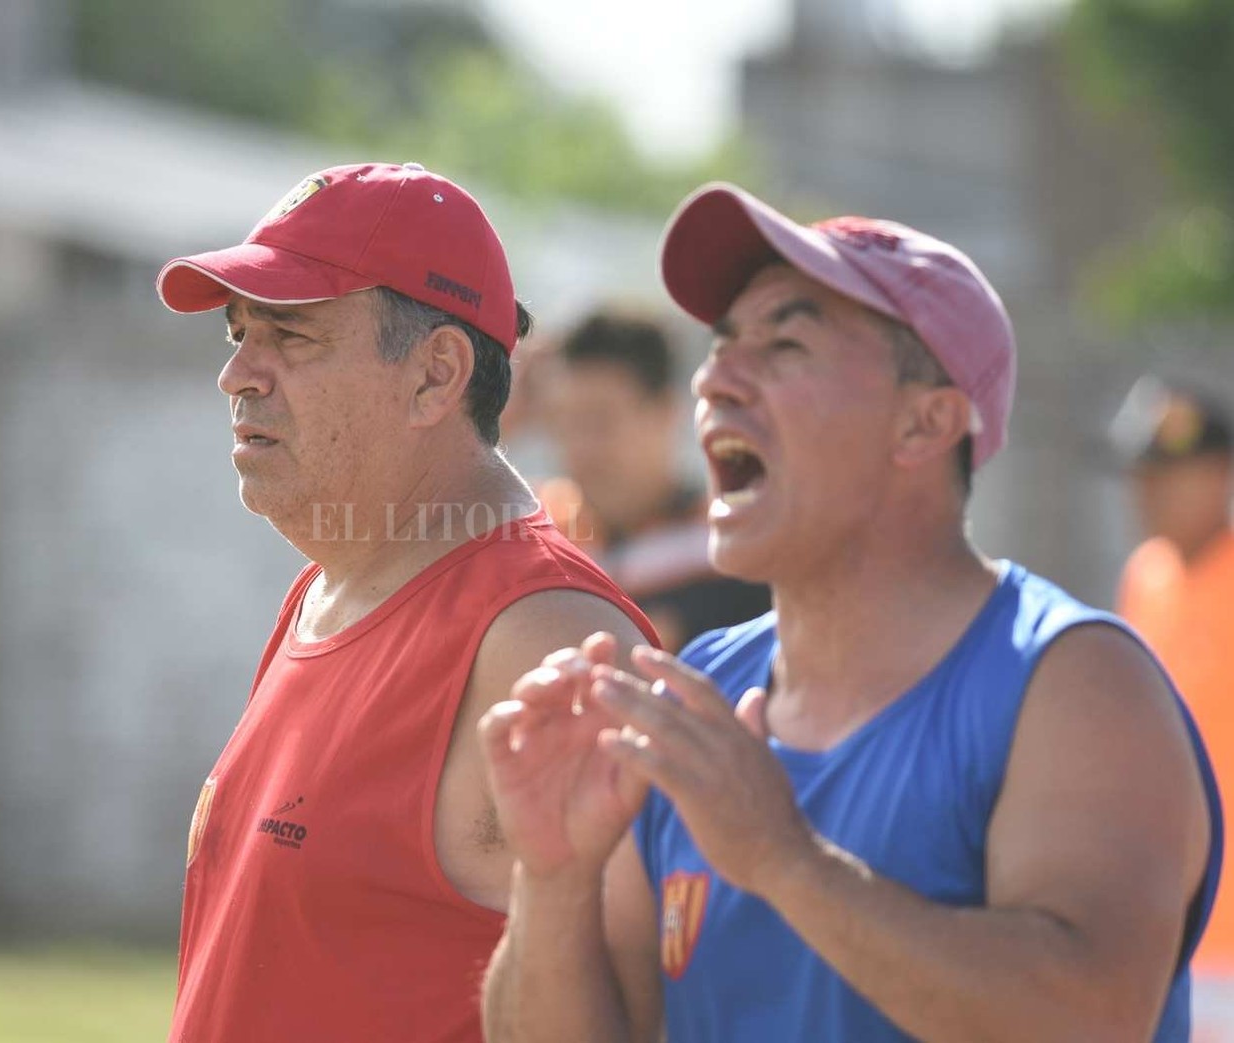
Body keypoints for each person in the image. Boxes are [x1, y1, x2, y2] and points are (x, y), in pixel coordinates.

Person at [479, 183, 1222, 1042]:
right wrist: (553, 877)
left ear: (925, 422)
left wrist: (786, 862)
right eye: (722, 345)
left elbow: (1090, 1016)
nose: (714, 377)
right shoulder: (691, 696)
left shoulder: (1072, 682)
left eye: (785, 342)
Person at [153, 161, 657, 1043]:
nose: (237, 374)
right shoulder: (326, 588)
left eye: (291, 335)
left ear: (435, 374)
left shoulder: (547, 638)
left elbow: (642, 1021)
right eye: (237, 333)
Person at [537, 309, 770, 650]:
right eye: (563, 423)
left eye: (599, 420)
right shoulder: (532, 536)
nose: (579, 448)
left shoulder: (739, 552)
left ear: (667, 412)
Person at [1113, 377, 1234, 982]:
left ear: (1221, 475)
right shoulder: (1147, 576)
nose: (1153, 493)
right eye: (1145, 474)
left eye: (1174, 474)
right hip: (1173, 924)